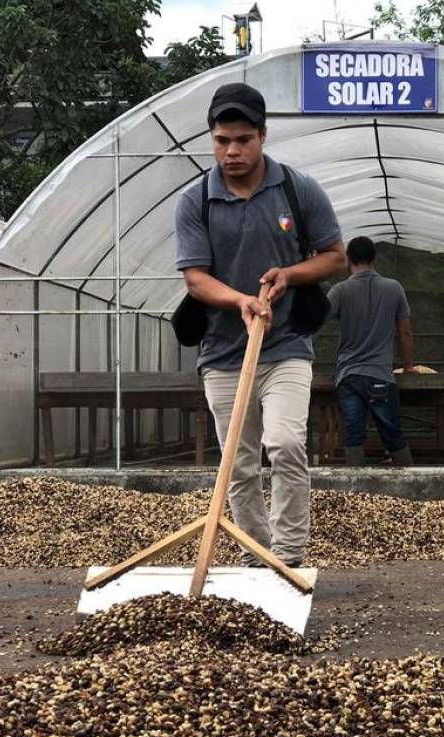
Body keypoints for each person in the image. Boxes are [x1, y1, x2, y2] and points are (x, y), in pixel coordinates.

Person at [174, 82, 345, 567]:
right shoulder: (195, 201)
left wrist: (289, 275)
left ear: (263, 136)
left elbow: (333, 257)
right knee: (238, 464)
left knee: (286, 443)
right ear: (212, 139)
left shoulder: (297, 189)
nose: (232, 151)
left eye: (243, 139)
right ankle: (257, 552)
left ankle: (289, 556)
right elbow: (195, 279)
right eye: (222, 140)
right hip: (223, 353)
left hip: (286, 345)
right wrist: (241, 301)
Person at [328, 236, 415, 467]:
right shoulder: (393, 288)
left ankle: (355, 490)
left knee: (354, 434)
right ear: (374, 259)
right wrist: (408, 366)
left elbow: (316, 318)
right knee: (393, 434)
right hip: (380, 376)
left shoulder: (340, 291)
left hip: (349, 376)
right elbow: (405, 332)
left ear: (349, 260)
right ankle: (410, 485)